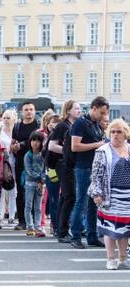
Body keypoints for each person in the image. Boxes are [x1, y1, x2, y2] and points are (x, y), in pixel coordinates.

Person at [89, 119, 130, 270]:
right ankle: (110, 258)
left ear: (125, 134)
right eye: (113, 132)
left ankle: (123, 257)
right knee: (110, 227)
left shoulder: (129, 148)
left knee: (125, 229)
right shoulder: (103, 151)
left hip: (127, 196)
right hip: (110, 194)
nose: (115, 135)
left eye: (119, 132)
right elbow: (96, 175)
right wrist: (96, 193)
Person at [70, 96, 109, 249]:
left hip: (95, 168)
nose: (104, 116)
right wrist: (98, 144)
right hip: (84, 167)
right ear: (93, 108)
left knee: (93, 204)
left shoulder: (96, 124)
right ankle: (76, 235)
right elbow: (75, 146)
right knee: (81, 202)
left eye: (105, 113)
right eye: (102, 112)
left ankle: (92, 236)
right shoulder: (81, 123)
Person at [48, 100, 81, 243]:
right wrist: (69, 151)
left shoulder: (74, 126)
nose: (79, 111)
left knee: (65, 197)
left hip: (69, 163)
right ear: (68, 110)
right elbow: (51, 146)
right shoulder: (62, 126)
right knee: (70, 196)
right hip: (62, 164)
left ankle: (60, 229)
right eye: (77, 108)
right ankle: (62, 231)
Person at [11, 102, 39, 230]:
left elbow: (37, 140)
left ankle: (34, 220)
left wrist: (21, 145)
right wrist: (14, 147)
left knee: (35, 192)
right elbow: (13, 143)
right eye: (26, 109)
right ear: (22, 112)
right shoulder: (17, 126)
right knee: (21, 191)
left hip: (35, 163)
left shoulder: (38, 125)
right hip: (20, 163)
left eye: (31, 109)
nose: (29, 112)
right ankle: (22, 220)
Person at [0, 109, 18, 225]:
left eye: (8, 118)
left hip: (14, 161)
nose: (6, 120)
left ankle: (12, 214)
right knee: (2, 189)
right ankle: (0, 214)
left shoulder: (17, 130)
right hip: (2, 162)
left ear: (14, 119)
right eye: (4, 117)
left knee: (13, 189)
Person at [24, 131, 46, 238]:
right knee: (28, 205)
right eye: (33, 140)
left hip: (41, 183)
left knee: (38, 207)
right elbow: (29, 170)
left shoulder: (43, 155)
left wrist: (42, 180)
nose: (35, 143)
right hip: (30, 183)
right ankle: (30, 226)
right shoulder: (28, 155)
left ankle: (38, 227)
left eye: (38, 141)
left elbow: (45, 168)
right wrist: (40, 179)